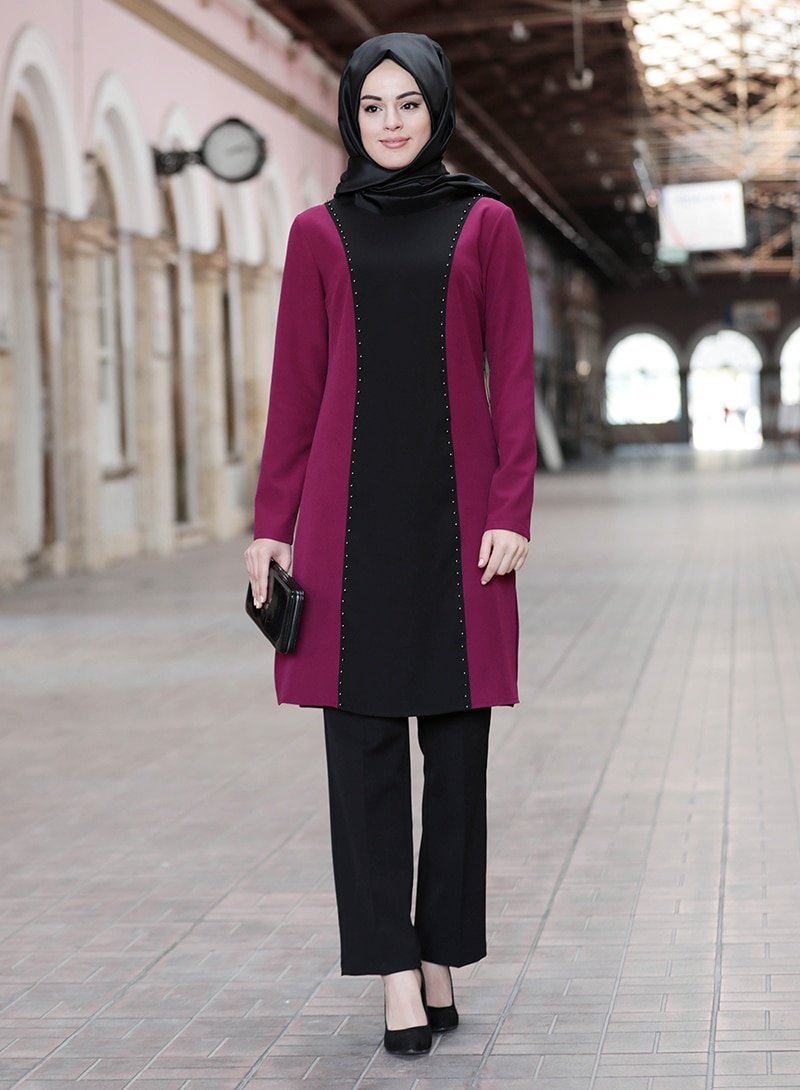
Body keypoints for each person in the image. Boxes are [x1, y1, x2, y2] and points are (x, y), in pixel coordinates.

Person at [245, 31, 536, 1055]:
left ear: (437, 109)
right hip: (346, 529)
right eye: (372, 105)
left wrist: (510, 507)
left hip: (460, 528)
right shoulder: (318, 233)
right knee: (362, 753)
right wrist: (270, 527)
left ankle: (441, 950)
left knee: (456, 753)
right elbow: (295, 390)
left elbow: (512, 373)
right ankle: (394, 971)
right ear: (350, 117)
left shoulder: (486, 223)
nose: (391, 122)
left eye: (408, 102)